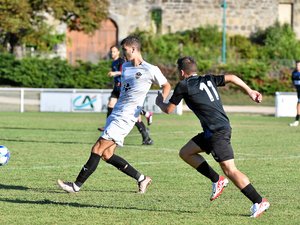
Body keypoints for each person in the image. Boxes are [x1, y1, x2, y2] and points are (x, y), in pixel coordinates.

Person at [155, 56, 270, 218]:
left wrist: (160, 101)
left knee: (230, 170)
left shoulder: (183, 85)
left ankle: (259, 201)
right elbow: (232, 77)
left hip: (217, 132)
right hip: (213, 131)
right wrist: (250, 91)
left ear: (181, 72)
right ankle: (217, 180)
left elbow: (168, 109)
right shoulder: (208, 78)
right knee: (186, 152)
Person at [58, 35, 171, 194]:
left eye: (125, 50)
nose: (123, 53)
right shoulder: (125, 66)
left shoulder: (150, 69)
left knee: (97, 147)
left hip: (126, 117)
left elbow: (166, 85)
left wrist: (161, 98)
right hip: (117, 113)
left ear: (133, 49)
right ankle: (142, 179)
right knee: (107, 154)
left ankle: (75, 186)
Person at [98, 45, 154, 145]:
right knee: (111, 104)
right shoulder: (114, 62)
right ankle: (108, 126)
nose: (112, 53)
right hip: (117, 88)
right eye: (111, 52)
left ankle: (146, 136)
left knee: (133, 115)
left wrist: (115, 73)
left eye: (114, 52)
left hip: (124, 90)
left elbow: (125, 72)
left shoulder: (122, 61)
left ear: (118, 52)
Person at [289, 60, 300, 126]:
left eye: (299, 65)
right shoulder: (294, 73)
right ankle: (296, 121)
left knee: (298, 105)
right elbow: (293, 83)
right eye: (297, 65)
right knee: (298, 105)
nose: (298, 66)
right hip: (298, 92)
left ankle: (296, 121)